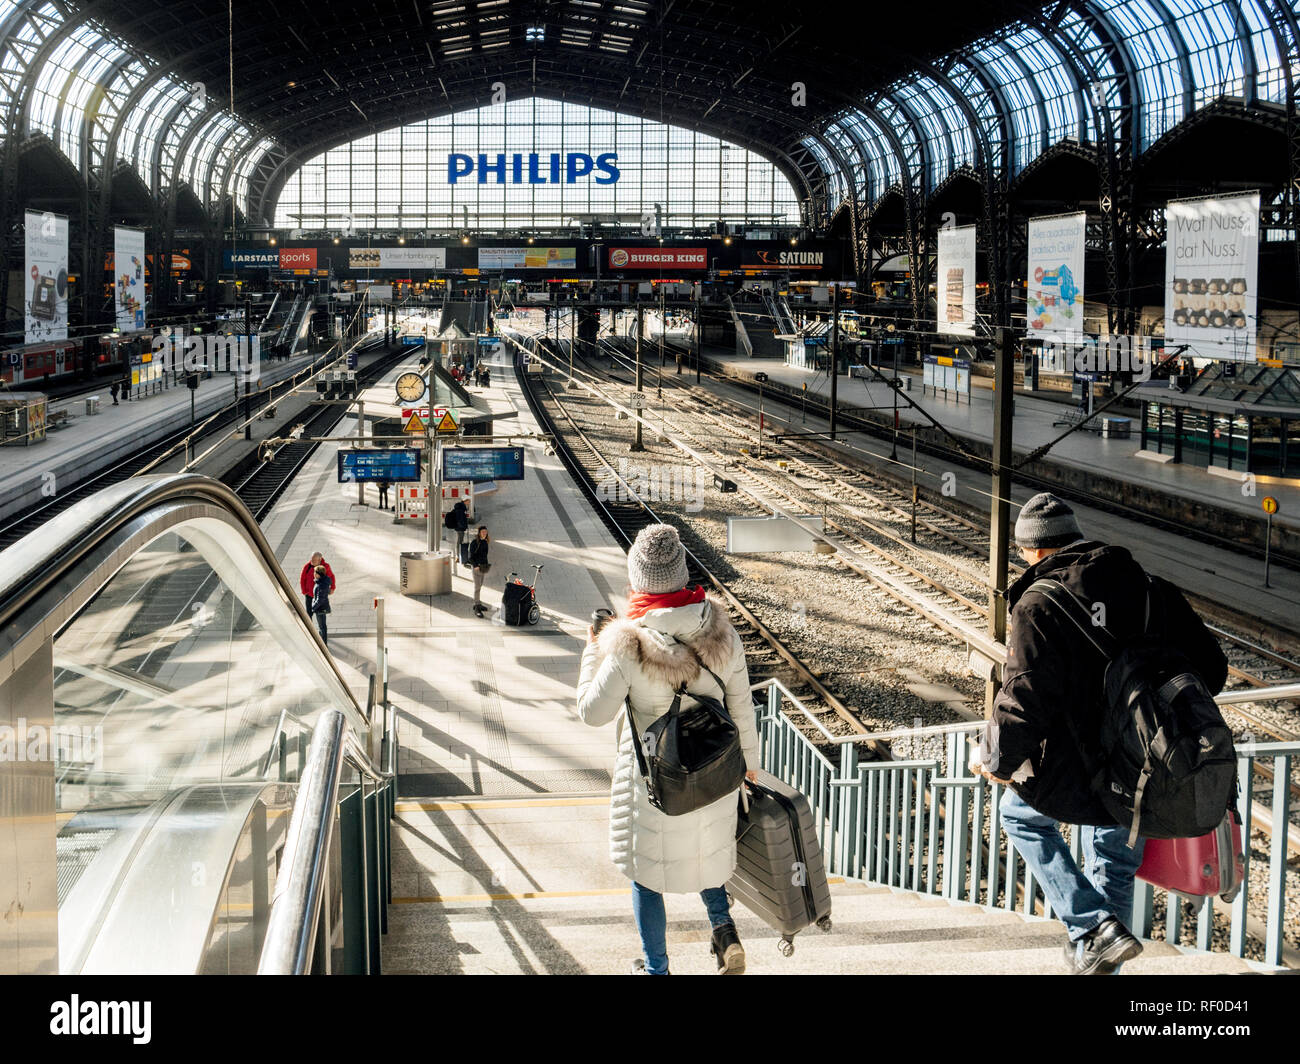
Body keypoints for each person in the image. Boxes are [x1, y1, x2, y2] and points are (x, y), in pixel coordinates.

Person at [974, 493, 1227, 975]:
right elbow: (1212, 670)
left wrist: (997, 760)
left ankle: (1090, 926)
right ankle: (1100, 950)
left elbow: (1025, 698)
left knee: (1019, 815)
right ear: (1076, 537)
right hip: (1148, 761)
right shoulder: (1152, 589)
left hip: (1079, 766)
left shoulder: (1037, 604)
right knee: (1114, 855)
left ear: (1033, 551)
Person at [576, 524, 760, 975]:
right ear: (682, 575)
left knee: (648, 876)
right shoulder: (722, 632)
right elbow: (742, 707)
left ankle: (657, 968)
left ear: (637, 580)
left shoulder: (627, 644)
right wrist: (749, 769)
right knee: (706, 856)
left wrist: (592, 651)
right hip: (715, 775)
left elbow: (592, 713)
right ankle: (724, 932)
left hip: (657, 786)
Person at [299, 552, 336, 617]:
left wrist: (332, 588)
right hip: (309, 595)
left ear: (319, 560)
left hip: (320, 595)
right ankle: (308, 626)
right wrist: (304, 591)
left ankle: (322, 627)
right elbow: (302, 579)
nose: (312, 561)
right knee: (308, 614)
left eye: (314, 560)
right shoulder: (307, 566)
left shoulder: (325, 567)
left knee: (321, 616)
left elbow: (331, 577)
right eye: (311, 559)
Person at [468, 525, 490, 616]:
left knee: (480, 586)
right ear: (479, 533)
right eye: (482, 532)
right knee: (477, 588)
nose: (484, 533)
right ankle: (477, 607)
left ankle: (478, 603)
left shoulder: (485, 542)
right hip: (477, 568)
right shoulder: (474, 542)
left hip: (483, 567)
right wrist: (475, 565)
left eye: (485, 532)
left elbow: (484, 555)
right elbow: (470, 557)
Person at [310, 563, 332, 645]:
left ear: (319, 574)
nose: (314, 574)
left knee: (322, 627)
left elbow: (320, 600)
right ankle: (323, 643)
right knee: (322, 626)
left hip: (320, 608)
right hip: (321, 607)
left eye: (315, 572)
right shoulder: (321, 582)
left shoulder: (321, 585)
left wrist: (313, 607)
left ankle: (323, 644)